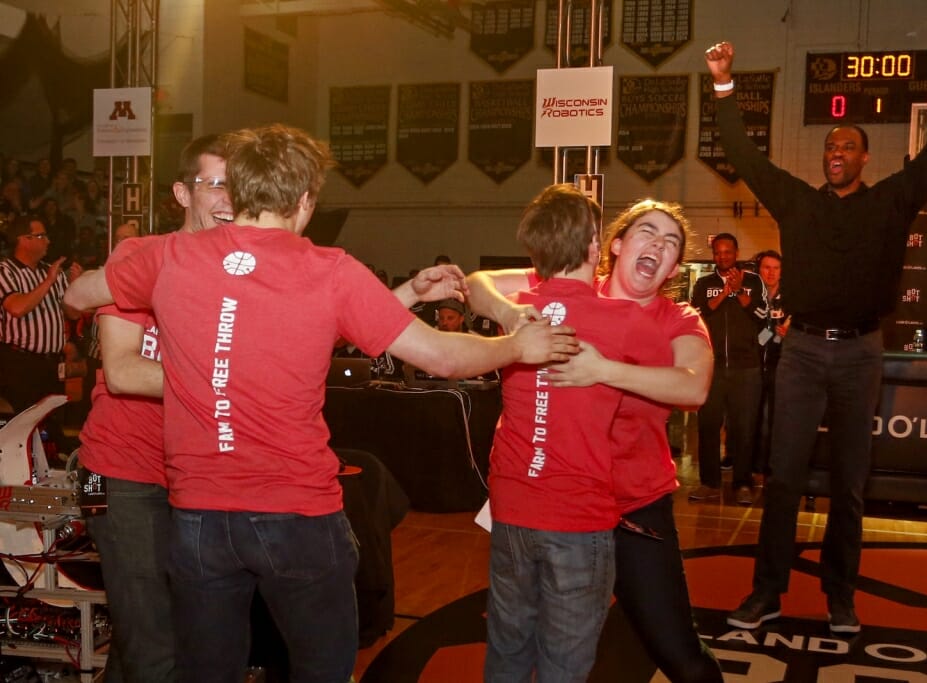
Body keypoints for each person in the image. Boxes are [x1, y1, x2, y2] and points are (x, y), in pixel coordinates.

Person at [64, 123, 579, 683]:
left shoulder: (168, 256)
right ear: (305, 200)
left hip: (200, 515)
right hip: (294, 511)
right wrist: (515, 345)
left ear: (239, 189)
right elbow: (441, 356)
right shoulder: (329, 269)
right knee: (321, 667)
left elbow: (78, 294)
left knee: (206, 671)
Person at [705, 19, 927, 634]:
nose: (835, 153)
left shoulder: (892, 201)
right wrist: (723, 87)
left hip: (861, 353)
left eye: (846, 146)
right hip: (802, 351)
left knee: (850, 486)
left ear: (864, 158)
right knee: (783, 479)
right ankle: (767, 592)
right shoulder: (797, 203)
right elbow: (746, 156)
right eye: (829, 146)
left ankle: (841, 597)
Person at [467, 198, 720, 683]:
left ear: (673, 268)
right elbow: (477, 284)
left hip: (634, 506)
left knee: (676, 652)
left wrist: (603, 370)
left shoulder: (678, 319)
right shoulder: (566, 288)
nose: (659, 245)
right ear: (615, 246)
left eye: (672, 243)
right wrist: (511, 314)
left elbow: (694, 386)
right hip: (557, 508)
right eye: (648, 231)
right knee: (535, 644)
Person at [75, 133, 232, 683]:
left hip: (192, 473)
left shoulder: (239, 275)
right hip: (123, 473)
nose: (227, 197)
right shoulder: (140, 256)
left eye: (236, 184)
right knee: (155, 639)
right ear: (182, 193)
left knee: (158, 632)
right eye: (214, 183)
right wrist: (229, 385)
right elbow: (122, 370)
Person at [690, 233, 767, 505]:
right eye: (718, 253)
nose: (723, 257)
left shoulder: (754, 281)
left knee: (744, 428)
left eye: (728, 252)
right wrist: (725, 293)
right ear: (713, 255)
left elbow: (762, 316)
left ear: (736, 253)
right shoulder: (703, 283)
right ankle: (709, 482)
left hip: (746, 368)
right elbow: (697, 315)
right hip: (711, 368)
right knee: (708, 425)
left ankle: (743, 483)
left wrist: (741, 293)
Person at [0, 214, 81, 450]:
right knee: (25, 420)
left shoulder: (49, 270)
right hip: (20, 361)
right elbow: (17, 308)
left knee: (51, 417)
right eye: (41, 235)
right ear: (23, 240)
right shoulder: (6, 271)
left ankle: (52, 465)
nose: (47, 241)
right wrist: (48, 281)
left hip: (51, 362)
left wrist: (74, 286)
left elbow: (73, 314)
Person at [753, 249, 787, 476]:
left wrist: (789, 334)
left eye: (775, 268)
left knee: (776, 418)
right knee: (750, 416)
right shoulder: (751, 295)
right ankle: (747, 462)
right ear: (759, 270)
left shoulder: (792, 299)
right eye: (767, 267)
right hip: (752, 363)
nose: (771, 272)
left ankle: (772, 467)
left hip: (781, 365)